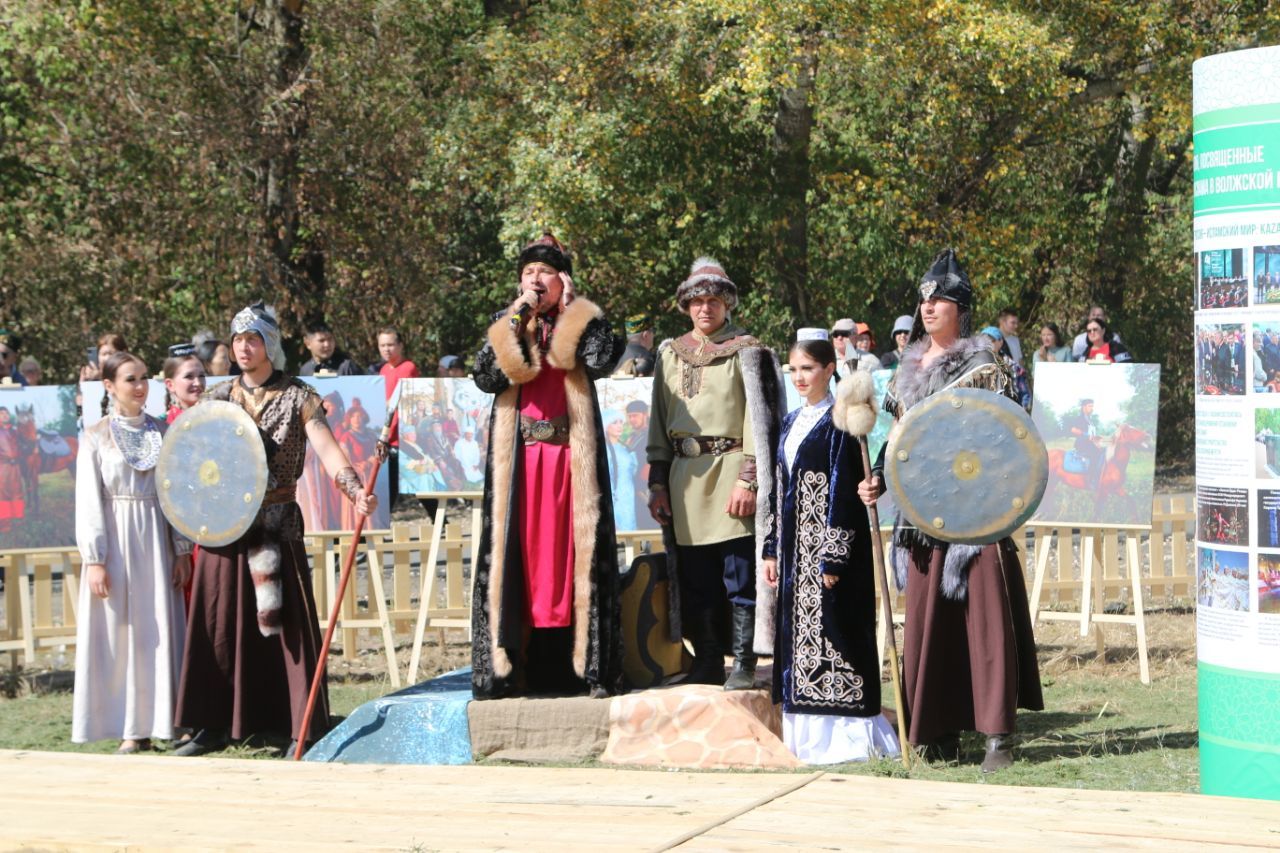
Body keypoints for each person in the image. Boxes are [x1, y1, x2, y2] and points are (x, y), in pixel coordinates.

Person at [857, 248, 1042, 773]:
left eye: (939, 299)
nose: (928, 307)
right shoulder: (908, 369)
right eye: (923, 299)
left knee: (984, 625)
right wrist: (876, 478)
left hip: (974, 515)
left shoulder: (984, 364)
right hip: (920, 516)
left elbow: (1004, 438)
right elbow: (899, 439)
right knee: (927, 623)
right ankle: (935, 731)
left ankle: (996, 739)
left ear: (960, 307)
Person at [174, 301, 377, 757]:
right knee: (217, 622)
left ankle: (297, 727)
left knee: (284, 628)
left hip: (276, 521)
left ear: (270, 344)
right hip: (225, 525)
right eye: (238, 340)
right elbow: (191, 455)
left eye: (253, 339)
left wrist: (354, 490)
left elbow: (327, 450)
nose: (244, 347)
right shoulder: (218, 399)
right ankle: (210, 725)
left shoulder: (299, 397)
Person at [470, 232, 624, 699]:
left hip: (569, 463)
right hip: (520, 465)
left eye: (544, 273)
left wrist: (576, 313)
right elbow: (485, 377)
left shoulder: (582, 322)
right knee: (517, 560)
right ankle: (507, 668)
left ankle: (582, 669)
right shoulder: (509, 322)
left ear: (563, 280)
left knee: (570, 561)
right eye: (527, 274)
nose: (535, 280)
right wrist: (516, 319)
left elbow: (602, 360)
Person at [761, 331, 900, 764]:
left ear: (828, 370)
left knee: (837, 636)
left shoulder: (841, 421)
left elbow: (843, 493)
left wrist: (834, 556)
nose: (801, 377)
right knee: (798, 645)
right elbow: (778, 488)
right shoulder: (789, 422)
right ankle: (805, 739)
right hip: (793, 558)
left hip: (828, 555)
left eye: (809, 369)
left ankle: (848, 742)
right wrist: (770, 548)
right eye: (794, 370)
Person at [647, 257, 783, 690]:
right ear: (686, 306)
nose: (706, 308)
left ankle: (743, 661)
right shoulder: (670, 354)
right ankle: (706, 660)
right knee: (697, 577)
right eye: (698, 301)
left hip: (730, 471)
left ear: (728, 305)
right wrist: (657, 481)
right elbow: (658, 421)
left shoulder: (748, 351)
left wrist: (748, 478)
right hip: (685, 478)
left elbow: (760, 421)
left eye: (714, 300)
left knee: (737, 574)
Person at [72, 351, 191, 753]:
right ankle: (129, 728)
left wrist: (180, 550)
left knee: (157, 628)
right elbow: (89, 501)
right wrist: (94, 559)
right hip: (116, 542)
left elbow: (173, 493)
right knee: (121, 632)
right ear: (109, 386)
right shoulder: (95, 437)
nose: (140, 387)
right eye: (130, 379)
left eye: (144, 378)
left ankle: (166, 721)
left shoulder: (163, 431)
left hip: (156, 538)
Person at [371, 326, 419, 504]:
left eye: (390, 344)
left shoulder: (408, 368)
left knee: (398, 483)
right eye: (382, 345)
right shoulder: (384, 369)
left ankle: (381, 524)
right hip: (387, 435)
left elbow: (402, 402)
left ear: (400, 345)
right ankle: (441, 521)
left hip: (401, 435)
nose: (386, 349)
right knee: (405, 482)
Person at [603, 410, 638, 531]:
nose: (619, 426)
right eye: (614, 422)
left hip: (630, 502)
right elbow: (606, 482)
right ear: (606, 426)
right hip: (616, 505)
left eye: (621, 422)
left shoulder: (625, 448)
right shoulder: (605, 451)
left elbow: (633, 472)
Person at [1066, 399, 1106, 489]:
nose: (1092, 408)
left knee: (1104, 451)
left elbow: (1092, 435)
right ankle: (1091, 480)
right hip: (1082, 444)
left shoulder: (1090, 420)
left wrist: (1097, 438)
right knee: (1095, 454)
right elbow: (1073, 430)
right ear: (1084, 407)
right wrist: (1086, 435)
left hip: (1090, 444)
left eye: (1092, 406)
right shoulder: (1079, 418)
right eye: (1090, 406)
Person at [624, 400, 653, 527]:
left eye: (635, 415)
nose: (632, 419)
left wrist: (639, 486)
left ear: (645, 414)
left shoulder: (653, 434)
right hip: (633, 488)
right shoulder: (632, 436)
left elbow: (651, 462)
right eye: (629, 416)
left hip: (646, 489)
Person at [162, 344, 207, 423]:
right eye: (189, 376)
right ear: (170, 385)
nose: (198, 383)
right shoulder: (161, 426)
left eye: (201, 375)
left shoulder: (216, 418)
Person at [299, 322, 364, 376]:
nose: (327, 345)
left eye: (330, 339)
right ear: (308, 343)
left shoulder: (346, 366)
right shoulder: (305, 370)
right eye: (321, 340)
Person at [0, 406, 24, 531]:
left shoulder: (15, 432)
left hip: (16, 466)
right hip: (2, 466)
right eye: (1, 413)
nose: (5, 415)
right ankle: (5, 523)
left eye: (6, 413)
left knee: (17, 491)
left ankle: (18, 517)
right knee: (3, 494)